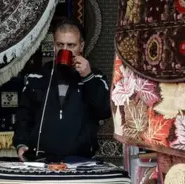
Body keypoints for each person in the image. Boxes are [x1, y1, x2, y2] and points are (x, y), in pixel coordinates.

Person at [12, 19, 111, 163]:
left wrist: (88, 77)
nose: (65, 50)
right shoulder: (36, 77)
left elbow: (104, 111)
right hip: (41, 158)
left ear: (81, 46)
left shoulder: (96, 77)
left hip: (80, 159)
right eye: (60, 45)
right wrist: (20, 143)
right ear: (54, 46)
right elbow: (24, 116)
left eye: (71, 45)